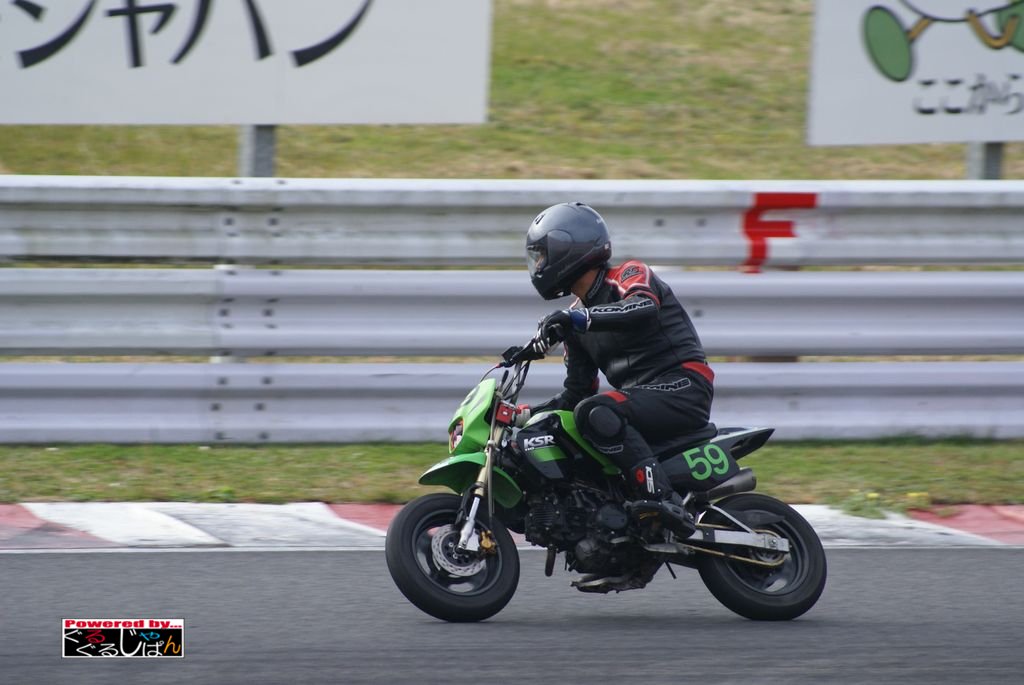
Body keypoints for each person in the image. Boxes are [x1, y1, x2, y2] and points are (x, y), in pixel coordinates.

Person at [523, 201, 715, 537]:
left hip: (683, 385)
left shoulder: (628, 274)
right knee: (571, 422)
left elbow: (642, 307)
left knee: (594, 411)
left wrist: (578, 319)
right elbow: (576, 393)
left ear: (569, 248)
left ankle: (661, 499)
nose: (538, 265)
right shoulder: (576, 319)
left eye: (542, 255)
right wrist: (526, 415)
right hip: (640, 399)